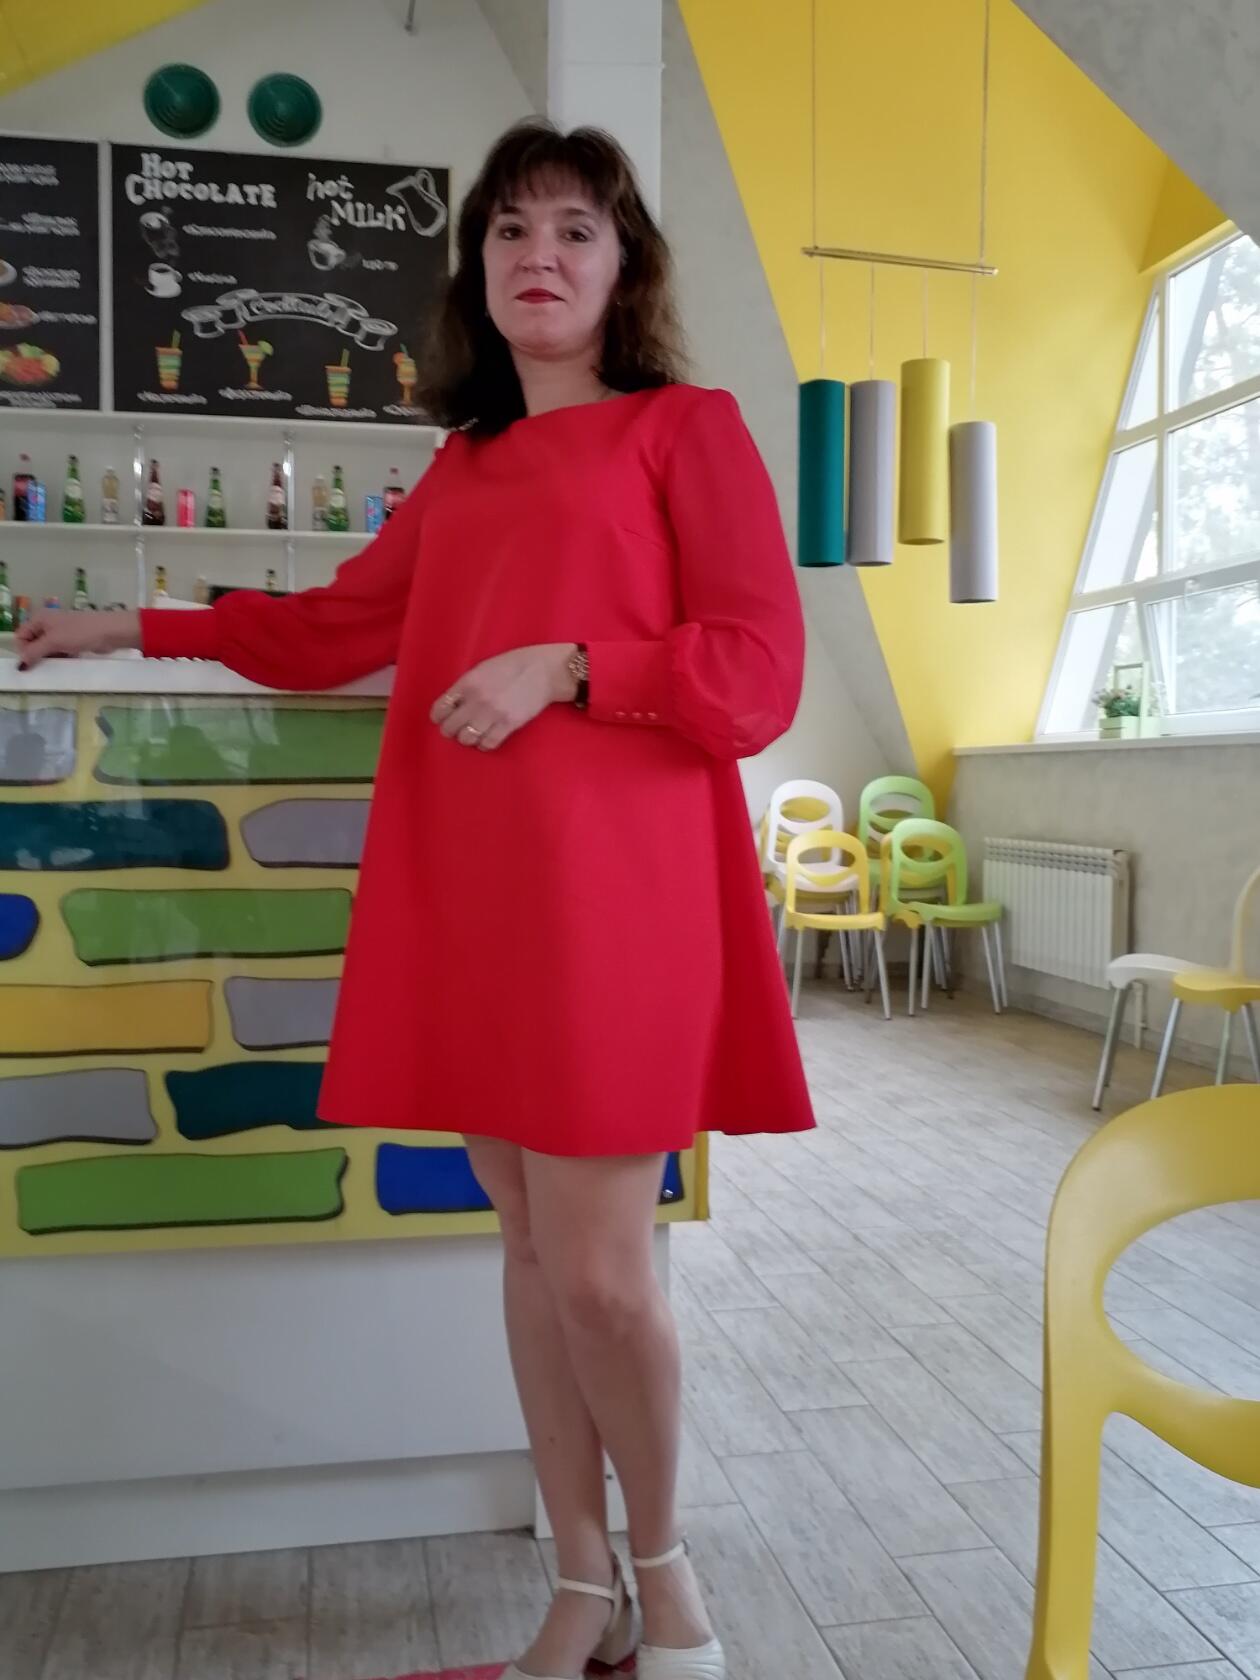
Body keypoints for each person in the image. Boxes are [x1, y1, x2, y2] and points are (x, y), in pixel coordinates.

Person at [18, 120, 815, 1680]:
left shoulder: (687, 429)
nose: (539, 256)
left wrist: (568, 665)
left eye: (574, 229)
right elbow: (333, 630)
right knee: (528, 1251)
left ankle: (670, 1585)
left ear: (626, 266)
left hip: (618, 892)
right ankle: (580, 1585)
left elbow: (755, 671)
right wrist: (133, 622)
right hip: (476, 884)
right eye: (509, 230)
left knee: (601, 1270)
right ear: (476, 272)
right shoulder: (468, 465)